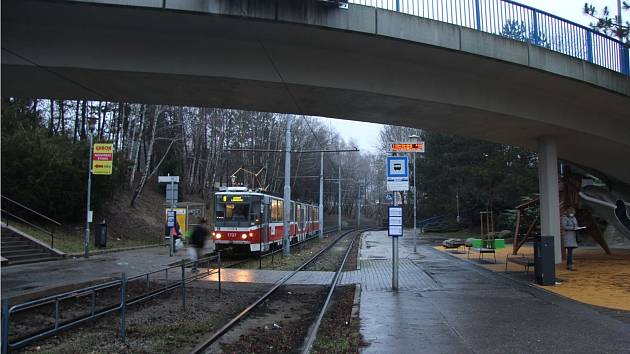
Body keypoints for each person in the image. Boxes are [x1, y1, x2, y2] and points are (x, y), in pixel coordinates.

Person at [561, 207, 581, 271]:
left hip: (573, 236)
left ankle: (569, 265)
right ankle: (570, 266)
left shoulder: (574, 218)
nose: (572, 214)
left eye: (573, 213)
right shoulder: (564, 218)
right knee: (570, 251)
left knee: (570, 251)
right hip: (568, 236)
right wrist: (572, 228)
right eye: (571, 213)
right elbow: (564, 226)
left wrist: (577, 227)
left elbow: (576, 224)